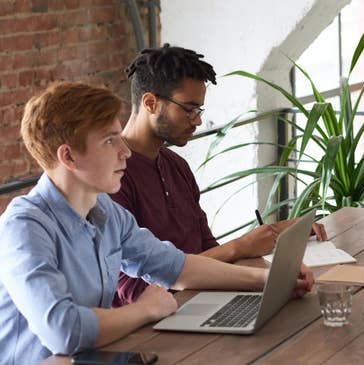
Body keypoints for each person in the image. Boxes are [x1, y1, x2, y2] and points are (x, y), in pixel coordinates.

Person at [0, 82, 314, 365]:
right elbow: (62, 333)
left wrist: (271, 279)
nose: (125, 152)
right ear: (68, 157)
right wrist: (145, 309)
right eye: (110, 141)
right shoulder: (23, 227)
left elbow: (175, 267)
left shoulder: (105, 210)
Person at [112, 44, 326, 306]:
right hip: (154, 326)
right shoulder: (113, 177)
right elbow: (133, 292)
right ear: (150, 103)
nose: (197, 121)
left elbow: (206, 249)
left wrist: (274, 274)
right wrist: (240, 247)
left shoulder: (176, 166)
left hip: (203, 301)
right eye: (189, 109)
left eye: (199, 110)